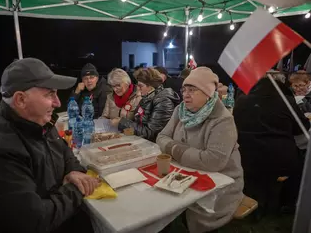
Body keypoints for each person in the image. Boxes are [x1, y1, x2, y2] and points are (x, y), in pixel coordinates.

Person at [0, 58, 100, 233]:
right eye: (50, 94)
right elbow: (35, 221)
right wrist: (75, 189)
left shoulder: (39, 122)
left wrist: (73, 171)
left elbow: (64, 151)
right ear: (20, 99)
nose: (58, 103)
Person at [157, 67, 244, 233]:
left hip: (220, 184)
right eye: (184, 89)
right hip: (184, 174)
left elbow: (213, 161)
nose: (186, 94)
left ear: (208, 93)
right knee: (157, 203)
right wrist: (185, 151)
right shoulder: (180, 110)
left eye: (192, 90)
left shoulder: (222, 120)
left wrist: (175, 149)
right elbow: (161, 137)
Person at [233, 77, 310, 215]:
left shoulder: (241, 100)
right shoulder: (286, 101)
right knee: (304, 158)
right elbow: (302, 128)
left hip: (245, 157)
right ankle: (289, 202)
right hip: (280, 160)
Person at [111, 68, 179, 142]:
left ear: (151, 86)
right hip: (142, 142)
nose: (138, 88)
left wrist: (121, 123)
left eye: (141, 86)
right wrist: (123, 134)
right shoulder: (146, 97)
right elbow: (137, 124)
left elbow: (151, 133)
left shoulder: (164, 101)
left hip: (155, 146)